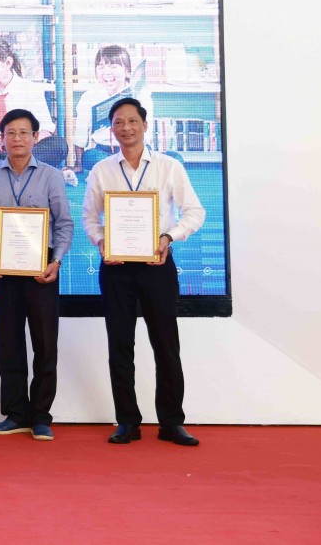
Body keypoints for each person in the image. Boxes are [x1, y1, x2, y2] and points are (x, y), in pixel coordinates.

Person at [82, 97, 205, 447]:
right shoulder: (102, 170)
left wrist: (169, 237)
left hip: (157, 266)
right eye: (119, 122)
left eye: (132, 121)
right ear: (112, 129)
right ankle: (128, 422)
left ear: (145, 125)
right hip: (116, 269)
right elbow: (90, 217)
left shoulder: (168, 166)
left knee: (166, 345)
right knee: (120, 346)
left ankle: (171, 422)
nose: (126, 128)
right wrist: (102, 241)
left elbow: (194, 212)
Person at [0, 108, 73, 441]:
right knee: (10, 342)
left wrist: (56, 261)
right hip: (5, 268)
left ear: (35, 137)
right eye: (10, 133)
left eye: (24, 133)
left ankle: (41, 416)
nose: (17, 139)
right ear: (1, 139)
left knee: (45, 343)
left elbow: (64, 223)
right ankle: (16, 413)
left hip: (41, 267)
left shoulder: (51, 175)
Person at [0, 36, 67, 172]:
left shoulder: (30, 89)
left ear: (7, 63)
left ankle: (7, 175)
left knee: (58, 145)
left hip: (26, 151)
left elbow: (45, 129)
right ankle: (22, 175)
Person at [72, 45, 154, 174]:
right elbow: (80, 134)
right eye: (101, 66)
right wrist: (78, 164)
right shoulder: (89, 96)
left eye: (113, 66)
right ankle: (129, 172)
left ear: (127, 71)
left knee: (175, 158)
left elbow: (147, 133)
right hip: (103, 152)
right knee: (89, 157)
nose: (106, 72)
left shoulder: (140, 94)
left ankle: (120, 171)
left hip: (134, 150)